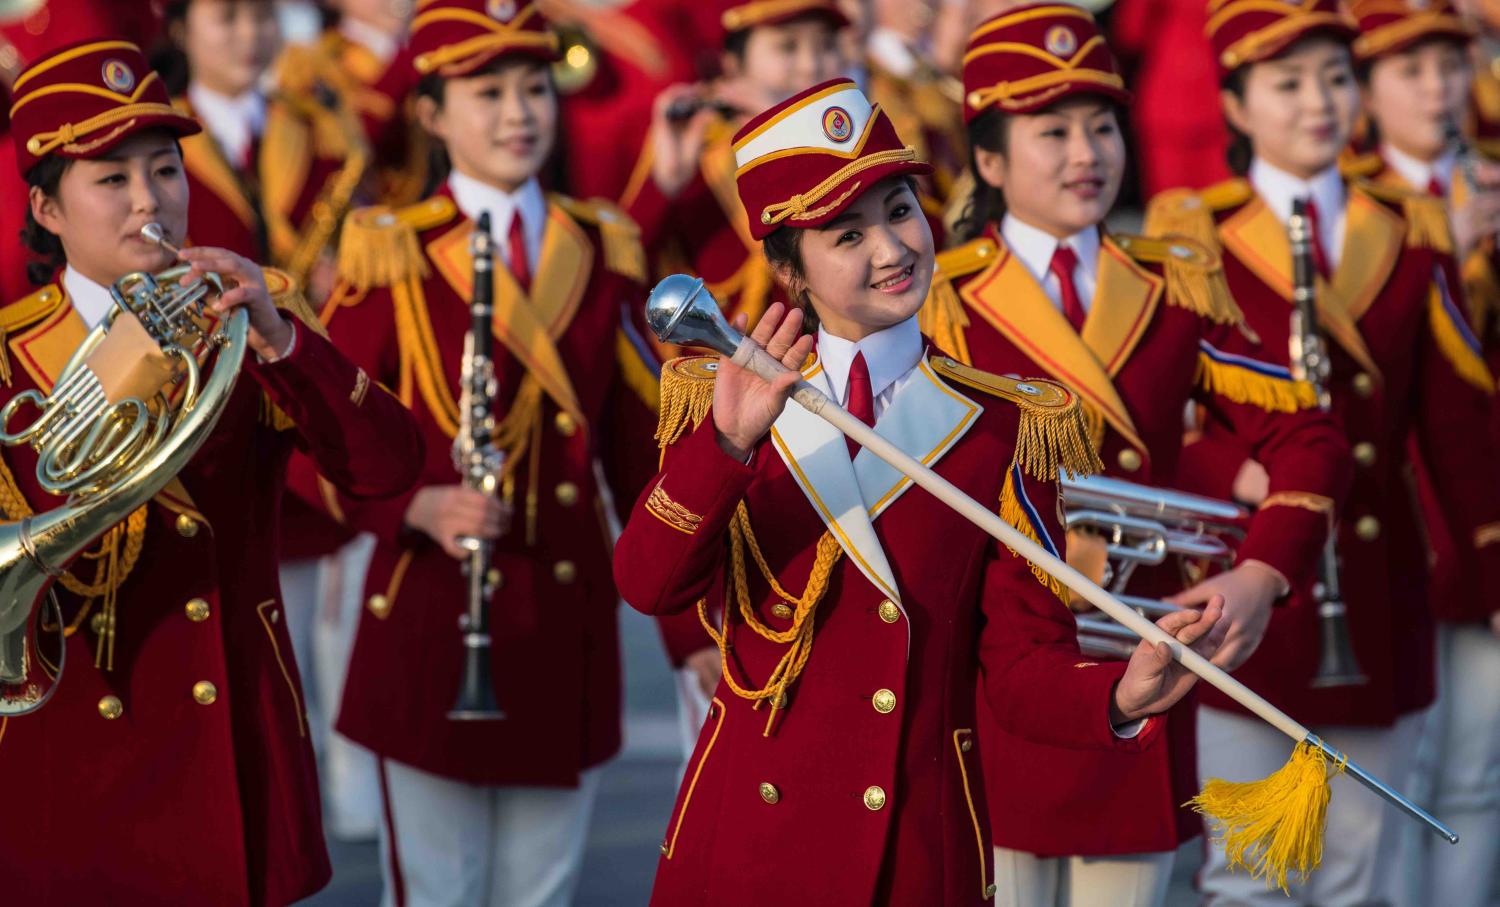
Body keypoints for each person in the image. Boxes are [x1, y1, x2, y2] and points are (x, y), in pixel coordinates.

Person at [612, 76, 1232, 906]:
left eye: (900, 210)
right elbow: (647, 583)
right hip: (749, 839)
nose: (891, 249)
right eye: (847, 234)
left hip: (915, 843)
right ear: (790, 270)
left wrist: (1117, 696)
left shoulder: (1001, 425)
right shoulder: (726, 399)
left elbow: (1017, 662)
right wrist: (724, 447)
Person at [926, 6, 1353, 905]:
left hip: (1140, 661)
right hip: (983, 678)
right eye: (1053, 131)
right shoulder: (938, 299)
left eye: (1103, 125)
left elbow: (1305, 432)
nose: (1088, 152)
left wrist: (1261, 574)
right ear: (992, 162)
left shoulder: (1175, 282)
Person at [0, 39, 422, 906]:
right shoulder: (6, 357)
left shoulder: (247, 320)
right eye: (110, 180)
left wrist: (288, 342)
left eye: (165, 170)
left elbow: (388, 468)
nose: (149, 201)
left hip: (229, 737)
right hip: (74, 741)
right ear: (46, 209)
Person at [283, 2, 661, 904]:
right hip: (430, 611)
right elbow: (308, 434)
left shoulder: (601, 247)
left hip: (561, 622)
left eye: (533, 87)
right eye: (485, 91)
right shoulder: (389, 253)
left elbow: (640, 459)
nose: (517, 112)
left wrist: (688, 623)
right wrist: (408, 505)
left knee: (545, 889)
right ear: (430, 114)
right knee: (435, 892)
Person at [1147, 0, 1500, 902]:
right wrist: (1237, 472)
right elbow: (1155, 424)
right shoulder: (1194, 237)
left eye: (1337, 78)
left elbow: (1458, 428)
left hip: (1377, 595)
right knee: (1250, 873)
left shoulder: (1407, 227)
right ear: (1234, 104)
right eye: (1289, 82)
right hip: (1245, 594)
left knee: (1358, 871)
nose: (1320, 102)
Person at [1342, 3, 1500, 904]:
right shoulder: (1354, 206)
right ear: (1365, 90)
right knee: (1393, 768)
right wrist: (1450, 252)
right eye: (1412, 72)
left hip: (1483, 505)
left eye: (1450, 67)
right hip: (1396, 510)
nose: (1438, 89)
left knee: (1479, 765)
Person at [155, 0, 370, 294]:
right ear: (180, 30)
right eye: (227, 18)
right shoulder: (159, 136)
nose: (250, 34)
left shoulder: (315, 124)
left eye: (263, 16)